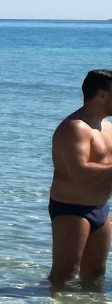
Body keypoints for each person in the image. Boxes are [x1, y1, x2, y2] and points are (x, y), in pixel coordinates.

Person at [48, 69, 112, 286]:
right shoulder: (74, 127)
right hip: (71, 209)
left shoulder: (109, 128)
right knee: (65, 274)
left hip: (101, 208)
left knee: (95, 274)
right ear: (103, 95)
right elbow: (79, 172)